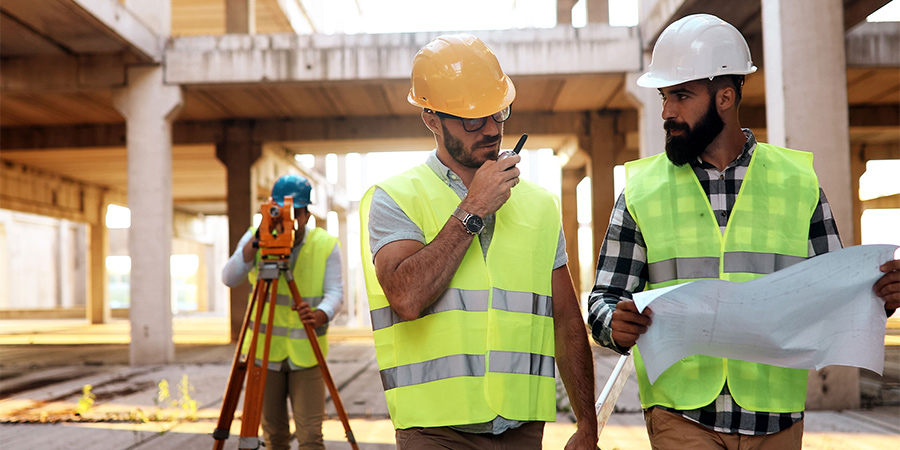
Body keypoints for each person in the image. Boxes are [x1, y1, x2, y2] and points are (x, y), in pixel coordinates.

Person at [586, 13, 900, 450]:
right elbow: (602, 300)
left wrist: (878, 297)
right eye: (663, 96)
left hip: (776, 417)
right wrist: (612, 324)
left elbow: (834, 298)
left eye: (680, 95)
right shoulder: (642, 189)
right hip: (682, 415)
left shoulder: (797, 181)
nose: (666, 111)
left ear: (726, 97)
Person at [359, 34, 597, 450]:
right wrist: (473, 208)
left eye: (499, 113)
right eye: (472, 120)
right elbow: (407, 297)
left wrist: (587, 424)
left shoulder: (539, 205)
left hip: (522, 429)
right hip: (435, 432)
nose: (491, 130)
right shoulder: (396, 198)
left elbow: (566, 321)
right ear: (432, 119)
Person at [222, 174, 343, 450]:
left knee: (310, 438)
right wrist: (256, 242)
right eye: (283, 211)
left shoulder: (325, 244)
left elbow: (335, 292)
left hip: (307, 354)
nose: (289, 219)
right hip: (264, 354)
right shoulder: (256, 237)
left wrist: (323, 312)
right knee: (275, 437)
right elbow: (229, 278)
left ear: (307, 215)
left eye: (296, 212)